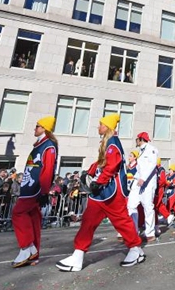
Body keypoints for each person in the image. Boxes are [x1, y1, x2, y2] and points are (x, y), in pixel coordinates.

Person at [56, 114, 145, 272]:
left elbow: (112, 165)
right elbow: (101, 163)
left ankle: (135, 249)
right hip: (101, 192)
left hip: (111, 191)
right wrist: (89, 173)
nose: (98, 127)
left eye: (101, 124)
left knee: (121, 221)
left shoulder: (113, 143)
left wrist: (99, 182)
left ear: (108, 127)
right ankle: (78, 255)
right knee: (88, 222)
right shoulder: (107, 143)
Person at [11, 116, 58, 267]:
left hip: (34, 188)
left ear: (44, 128)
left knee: (18, 213)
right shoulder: (40, 145)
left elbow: (48, 169)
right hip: (30, 186)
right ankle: (34, 253)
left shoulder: (48, 146)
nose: (35, 128)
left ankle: (27, 247)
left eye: (37, 126)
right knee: (33, 218)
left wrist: (44, 191)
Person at [126, 132, 158, 240]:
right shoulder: (140, 151)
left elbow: (152, 165)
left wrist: (143, 178)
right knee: (131, 204)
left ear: (141, 139)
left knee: (148, 207)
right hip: (138, 181)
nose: (136, 141)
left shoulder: (151, 149)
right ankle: (133, 230)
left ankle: (150, 233)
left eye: (137, 139)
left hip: (148, 182)